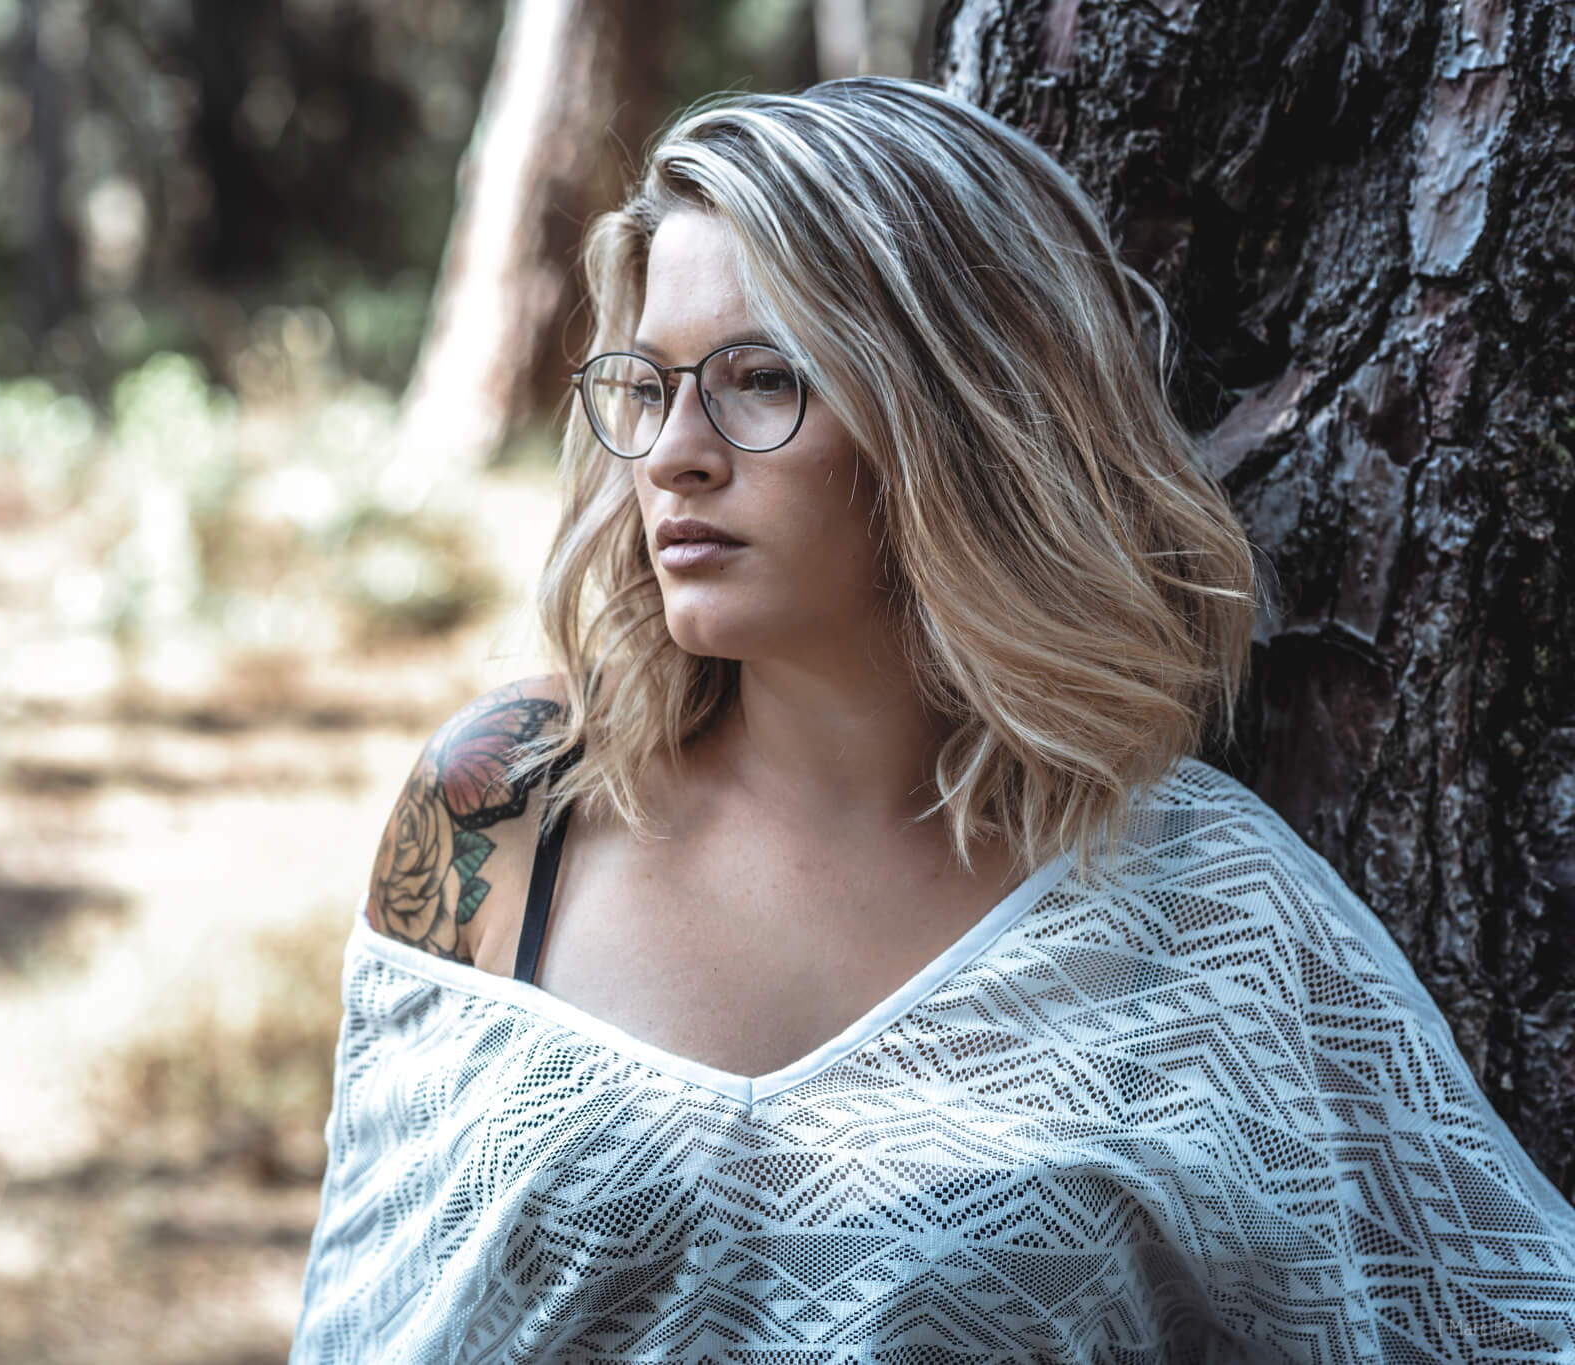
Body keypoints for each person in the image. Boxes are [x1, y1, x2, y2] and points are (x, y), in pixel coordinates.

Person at [289, 77, 1575, 1361]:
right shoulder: (507, 800)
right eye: (648, 386)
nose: (673, 453)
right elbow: (365, 1311)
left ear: (956, 418)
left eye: (759, 379)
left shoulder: (1210, 914)